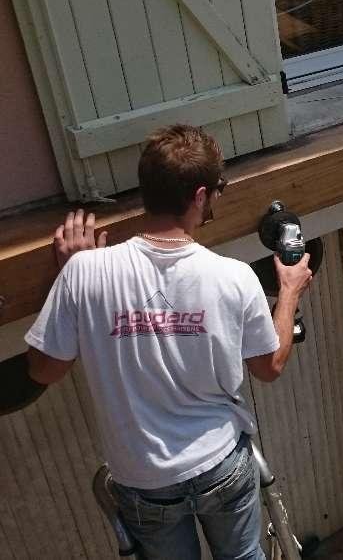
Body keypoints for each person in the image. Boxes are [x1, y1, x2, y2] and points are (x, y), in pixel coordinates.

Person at [24, 124, 313, 560]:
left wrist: (71, 280)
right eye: (218, 189)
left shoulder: (84, 271)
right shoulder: (234, 277)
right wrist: (288, 292)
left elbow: (43, 370)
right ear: (200, 196)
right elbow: (269, 367)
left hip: (144, 478)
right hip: (220, 463)